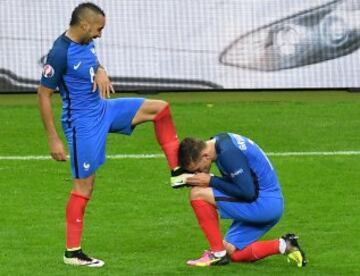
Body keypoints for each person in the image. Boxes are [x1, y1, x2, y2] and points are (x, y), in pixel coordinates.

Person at [38, 2, 186, 267]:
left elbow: (92, 61)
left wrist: (102, 70)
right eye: (98, 29)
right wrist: (53, 138)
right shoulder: (59, 53)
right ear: (84, 25)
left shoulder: (86, 42)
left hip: (104, 109)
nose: (100, 34)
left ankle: (177, 172)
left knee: (160, 109)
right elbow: (43, 94)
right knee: (84, 186)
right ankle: (72, 252)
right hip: (82, 124)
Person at [177, 133, 307, 267]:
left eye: (198, 169)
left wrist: (211, 180)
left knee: (197, 193)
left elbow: (247, 193)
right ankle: (286, 245)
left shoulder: (228, 154)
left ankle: (216, 254)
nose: (198, 173)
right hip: (271, 203)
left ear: (205, 156)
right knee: (230, 252)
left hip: (263, 205)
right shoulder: (219, 142)